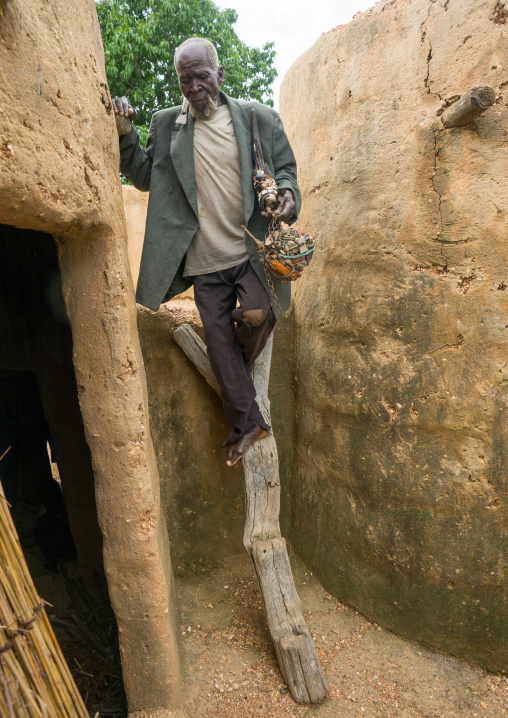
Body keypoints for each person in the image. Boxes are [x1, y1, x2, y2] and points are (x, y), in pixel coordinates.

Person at [114, 37, 301, 466]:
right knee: (217, 343)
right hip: (202, 261)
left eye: (202, 76)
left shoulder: (258, 118)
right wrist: (125, 134)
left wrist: (287, 195)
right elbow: (144, 175)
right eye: (185, 79)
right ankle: (248, 423)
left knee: (258, 314)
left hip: (250, 251)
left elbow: (286, 170)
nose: (195, 87)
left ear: (220, 75)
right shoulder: (166, 125)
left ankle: (240, 398)